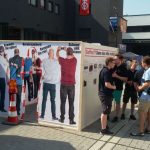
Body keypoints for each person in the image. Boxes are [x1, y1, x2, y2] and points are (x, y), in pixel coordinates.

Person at [56, 47, 77, 125]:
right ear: (72, 53)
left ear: (66, 53)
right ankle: (71, 120)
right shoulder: (74, 61)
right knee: (71, 103)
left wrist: (58, 50)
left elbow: (57, 56)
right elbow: (73, 56)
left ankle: (62, 119)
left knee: (63, 102)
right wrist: (66, 50)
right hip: (71, 85)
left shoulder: (62, 60)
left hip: (64, 85)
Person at [131, 56, 150, 136]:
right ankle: (148, 129)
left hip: (146, 96)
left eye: (142, 62)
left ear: (144, 63)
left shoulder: (148, 71)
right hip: (148, 96)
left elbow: (147, 83)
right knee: (148, 113)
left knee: (141, 114)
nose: (141, 63)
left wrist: (139, 88)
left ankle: (141, 131)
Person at [40, 48, 60, 120]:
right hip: (50, 84)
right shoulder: (55, 61)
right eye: (52, 53)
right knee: (51, 100)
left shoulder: (45, 61)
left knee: (45, 100)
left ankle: (43, 115)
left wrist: (42, 76)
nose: (52, 54)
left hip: (48, 83)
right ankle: (52, 116)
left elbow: (40, 68)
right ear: (50, 54)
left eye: (52, 53)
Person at [99, 57, 116, 135]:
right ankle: (103, 130)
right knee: (105, 112)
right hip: (105, 94)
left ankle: (105, 126)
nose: (114, 63)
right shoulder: (106, 72)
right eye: (113, 62)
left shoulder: (105, 70)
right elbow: (107, 84)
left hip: (106, 94)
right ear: (109, 62)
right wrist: (114, 87)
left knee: (106, 111)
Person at [111, 54, 128, 122]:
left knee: (117, 102)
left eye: (116, 59)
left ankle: (116, 116)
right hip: (110, 87)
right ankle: (108, 114)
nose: (114, 60)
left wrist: (117, 76)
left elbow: (126, 79)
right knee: (109, 101)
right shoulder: (113, 66)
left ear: (120, 60)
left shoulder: (124, 68)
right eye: (114, 59)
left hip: (118, 88)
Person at [9, 48, 24, 115]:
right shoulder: (21, 59)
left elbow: (9, 69)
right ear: (18, 52)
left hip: (12, 80)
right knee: (18, 96)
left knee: (11, 96)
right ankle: (17, 111)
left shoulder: (10, 59)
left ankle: (11, 111)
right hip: (19, 81)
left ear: (14, 52)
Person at [0, 46, 9, 112]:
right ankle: (1, 108)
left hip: (3, 77)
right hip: (2, 78)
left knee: (2, 94)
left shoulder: (3, 58)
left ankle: (1, 107)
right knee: (2, 94)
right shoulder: (3, 58)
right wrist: (5, 57)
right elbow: (8, 64)